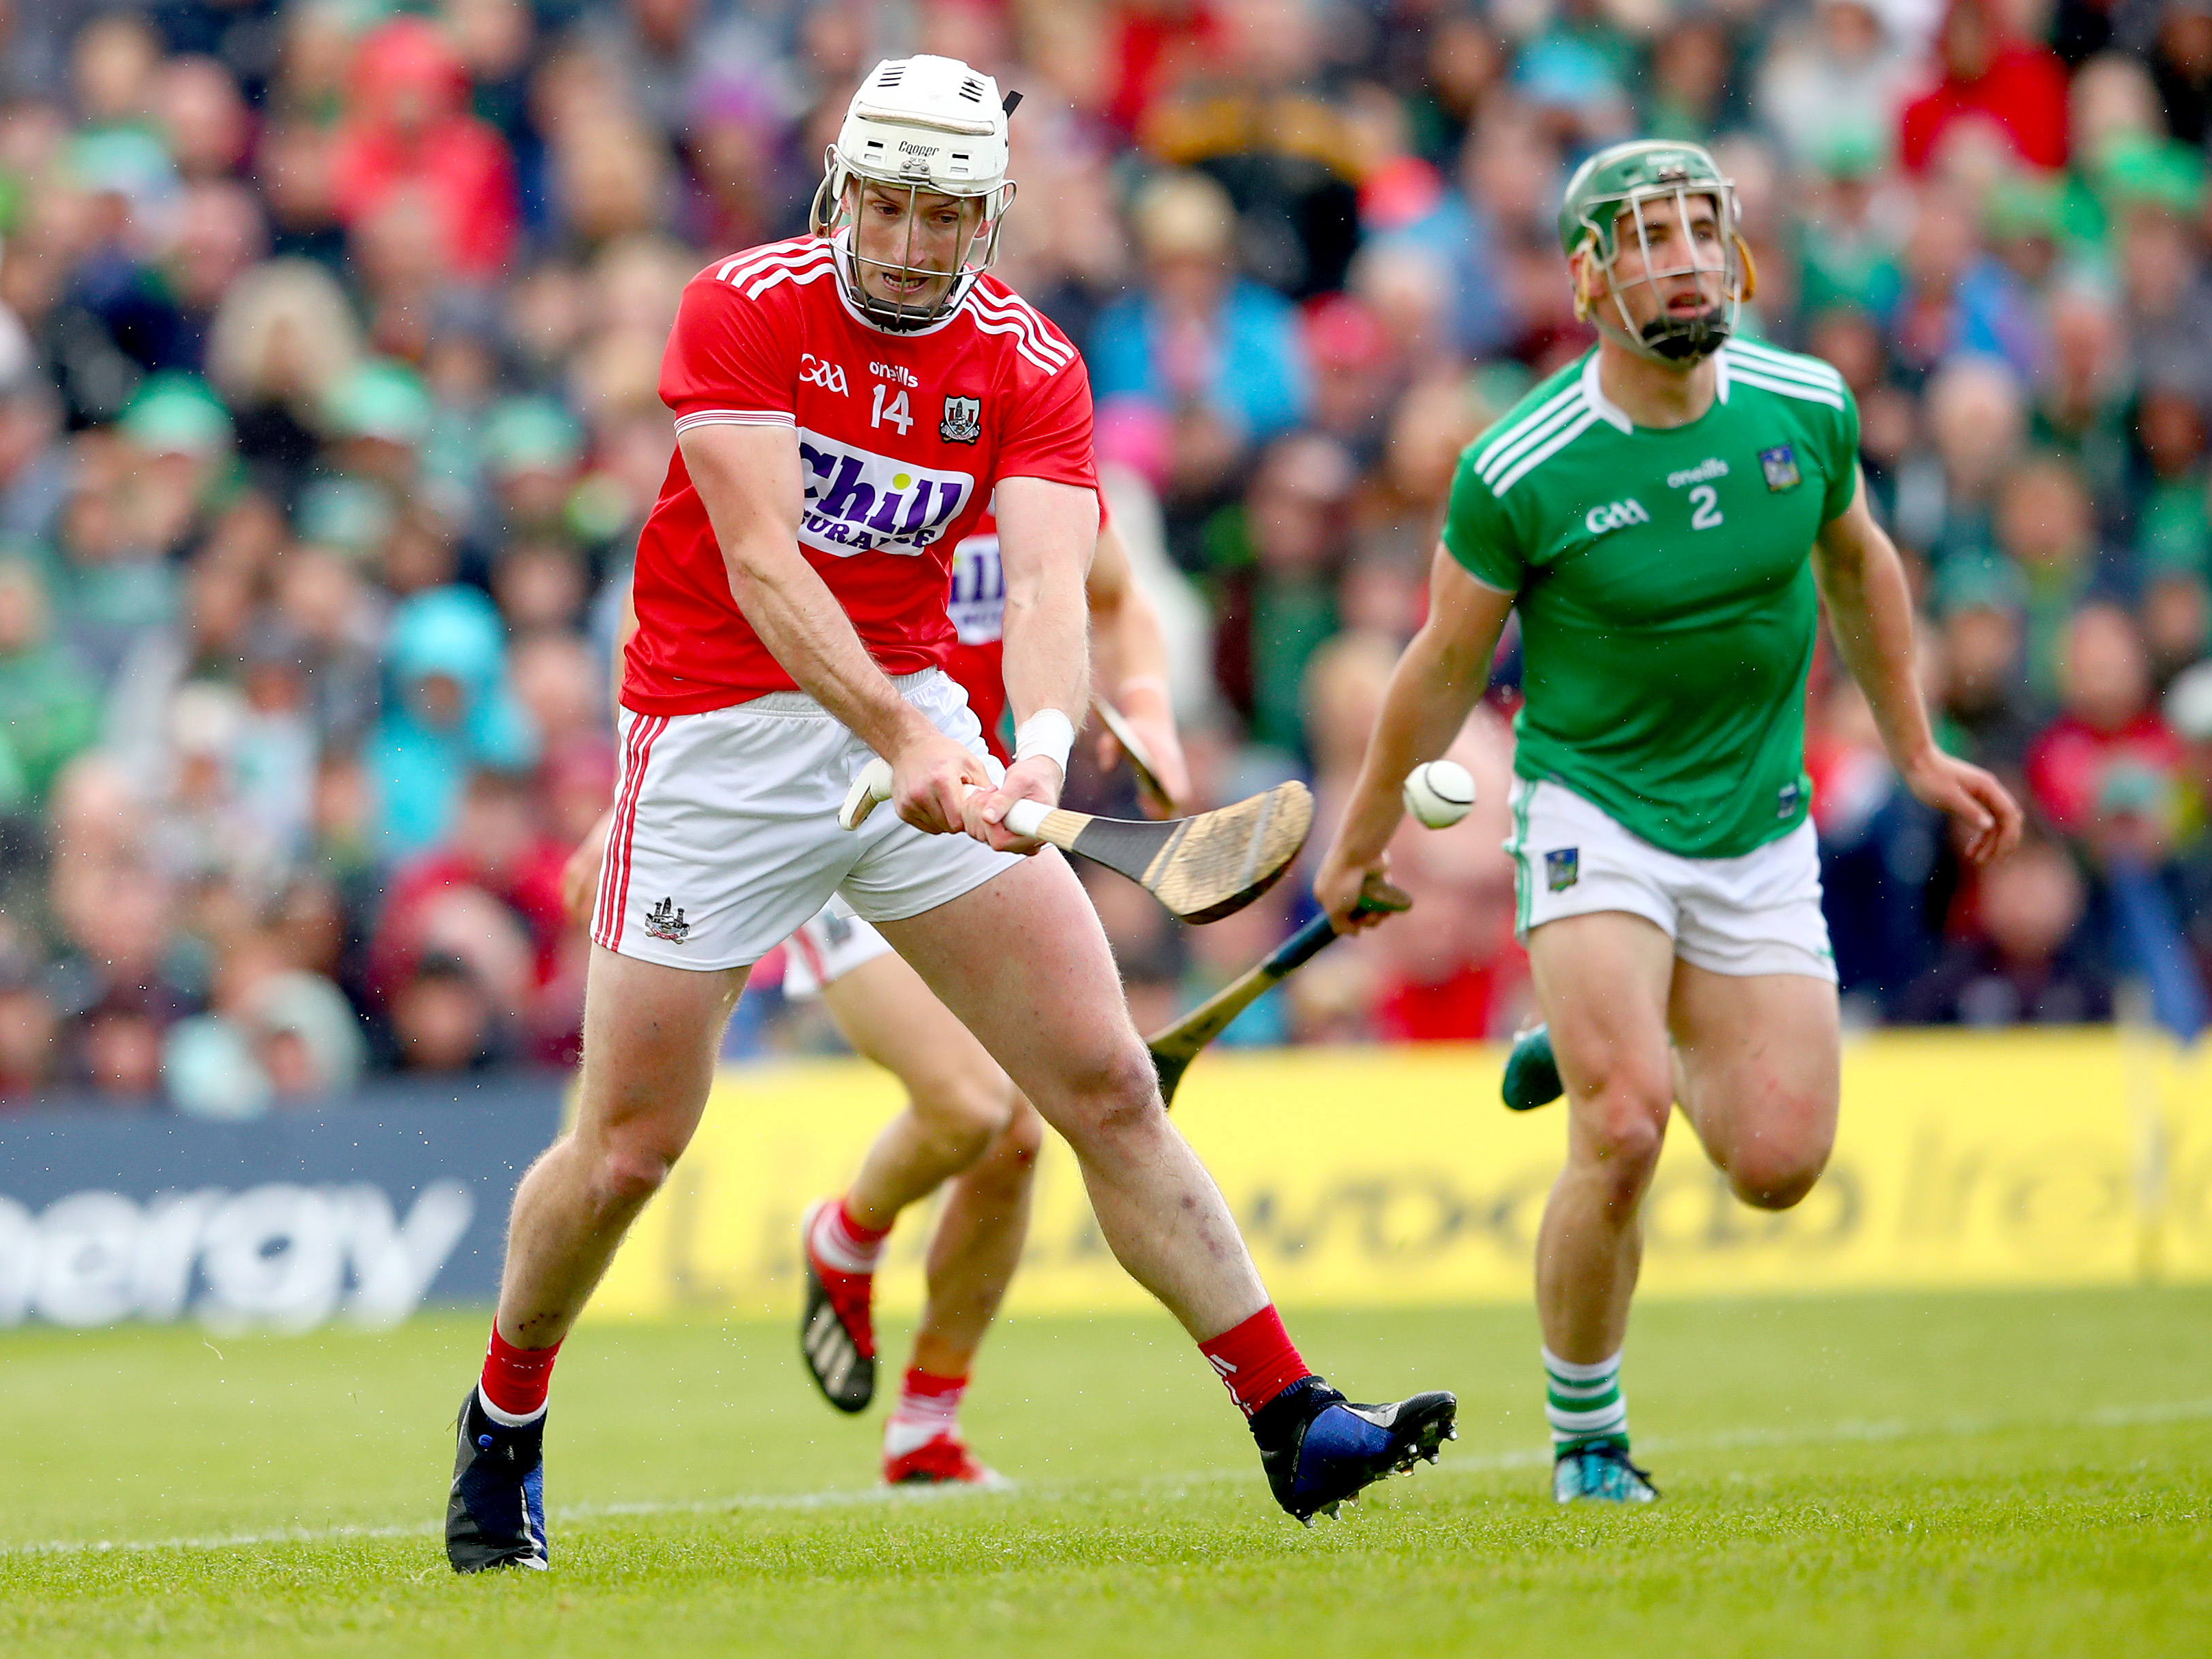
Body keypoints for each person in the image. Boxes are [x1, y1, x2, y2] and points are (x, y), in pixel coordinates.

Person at [446, 56, 1456, 1573]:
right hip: (718, 747)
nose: (915, 242)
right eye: (893, 206)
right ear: (845, 192)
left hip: (925, 722)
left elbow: (1056, 581)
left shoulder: (1032, 361)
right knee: (632, 1147)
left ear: (991, 218)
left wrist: (1035, 751)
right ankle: (502, 1423)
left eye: (948, 215)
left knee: (1105, 1084)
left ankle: (1288, 1415)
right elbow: (765, 565)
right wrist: (905, 730)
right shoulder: (746, 303)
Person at [1314, 141, 2022, 1506]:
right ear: (1586, 276)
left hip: (1759, 820)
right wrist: (1359, 838)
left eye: (1703, 228)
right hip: (1595, 809)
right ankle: (1589, 1432)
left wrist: (1918, 748)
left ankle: (1598, 1025)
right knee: (1626, 1125)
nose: (1685, 256)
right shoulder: (1521, 465)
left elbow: (1860, 564)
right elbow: (1439, 668)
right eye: (1647, 237)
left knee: (1776, 1165)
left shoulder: (1805, 406)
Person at [562, 505, 1190, 1488]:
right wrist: (633, 793)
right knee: (972, 1107)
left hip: (973, 814)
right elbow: (667, 621)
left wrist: (1146, 709)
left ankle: (926, 1431)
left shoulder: (1039, 483)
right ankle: (847, 1233)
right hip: (833, 808)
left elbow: (1116, 602)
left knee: (1020, 1139)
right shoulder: (869, 477)